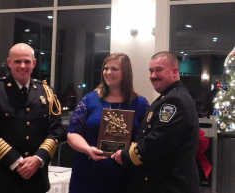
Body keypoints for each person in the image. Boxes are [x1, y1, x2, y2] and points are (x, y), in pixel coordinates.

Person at [0, 43, 62, 193]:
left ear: (34, 63)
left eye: (27, 61)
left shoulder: (46, 92)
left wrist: (38, 159)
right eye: (17, 61)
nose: (22, 66)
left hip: (36, 179)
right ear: (9, 62)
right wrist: (17, 162)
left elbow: (55, 131)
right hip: (0, 179)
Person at [112, 51, 200, 193]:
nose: (153, 76)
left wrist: (125, 155)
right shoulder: (169, 97)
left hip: (169, 185)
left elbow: (157, 142)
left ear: (174, 72)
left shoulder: (173, 102)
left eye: (159, 70)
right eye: (151, 71)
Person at [67, 53, 150, 193]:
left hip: (126, 175)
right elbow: (73, 133)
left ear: (126, 72)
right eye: (106, 68)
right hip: (89, 173)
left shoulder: (140, 103)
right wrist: (87, 149)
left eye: (115, 69)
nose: (108, 72)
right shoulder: (90, 99)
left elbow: (147, 138)